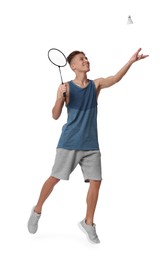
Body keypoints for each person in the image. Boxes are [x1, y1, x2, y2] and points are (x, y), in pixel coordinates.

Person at [27, 48, 149, 243]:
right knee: (54, 178)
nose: (86, 60)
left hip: (91, 144)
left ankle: (88, 223)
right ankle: (37, 210)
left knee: (96, 181)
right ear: (73, 66)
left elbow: (115, 78)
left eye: (86, 58)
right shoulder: (66, 87)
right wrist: (60, 97)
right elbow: (55, 115)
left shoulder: (96, 85)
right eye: (81, 59)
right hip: (69, 143)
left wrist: (131, 62)